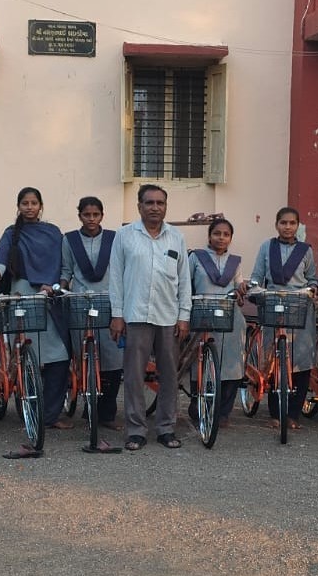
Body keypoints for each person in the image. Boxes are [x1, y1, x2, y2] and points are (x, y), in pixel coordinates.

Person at [0, 187, 70, 457]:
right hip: (21, 294)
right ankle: (29, 410)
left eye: (34, 203)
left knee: (59, 356)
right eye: (25, 203)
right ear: (18, 206)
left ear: (41, 206)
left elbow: (63, 266)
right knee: (25, 356)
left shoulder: (54, 233)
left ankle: (50, 414)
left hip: (49, 296)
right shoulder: (11, 233)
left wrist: (56, 285)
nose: (29, 207)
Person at [109, 184, 192, 450]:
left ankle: (166, 428)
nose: (155, 207)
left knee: (170, 376)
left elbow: (184, 280)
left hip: (168, 316)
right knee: (134, 376)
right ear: (139, 206)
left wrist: (184, 315)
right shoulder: (124, 236)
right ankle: (136, 430)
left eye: (160, 203)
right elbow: (116, 278)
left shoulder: (176, 237)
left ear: (165, 207)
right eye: (149, 202)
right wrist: (117, 315)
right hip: (135, 315)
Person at [249, 207, 318, 433]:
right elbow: (257, 275)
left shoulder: (305, 250)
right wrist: (255, 289)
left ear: (298, 226)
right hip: (273, 304)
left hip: (299, 306)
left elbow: (312, 278)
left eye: (292, 223)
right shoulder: (266, 247)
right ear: (276, 224)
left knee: (300, 360)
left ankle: (293, 413)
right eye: (283, 223)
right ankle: (275, 413)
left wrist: (313, 288)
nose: (288, 227)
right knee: (274, 359)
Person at [60, 197, 122, 431]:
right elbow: (66, 270)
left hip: (108, 301)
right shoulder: (69, 240)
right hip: (80, 301)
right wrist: (61, 288)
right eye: (87, 215)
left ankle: (107, 413)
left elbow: (119, 269)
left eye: (96, 215)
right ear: (80, 216)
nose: (91, 219)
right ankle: (89, 408)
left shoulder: (114, 238)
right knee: (85, 356)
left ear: (102, 215)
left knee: (112, 358)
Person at [188, 218, 245, 434]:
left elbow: (238, 284)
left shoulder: (235, 262)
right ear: (209, 236)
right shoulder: (196, 258)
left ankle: (223, 412)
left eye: (226, 234)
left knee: (231, 365)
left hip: (229, 316)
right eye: (217, 233)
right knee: (200, 364)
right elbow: (186, 285)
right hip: (202, 314)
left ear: (231, 238)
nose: (221, 238)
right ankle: (199, 408)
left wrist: (241, 289)